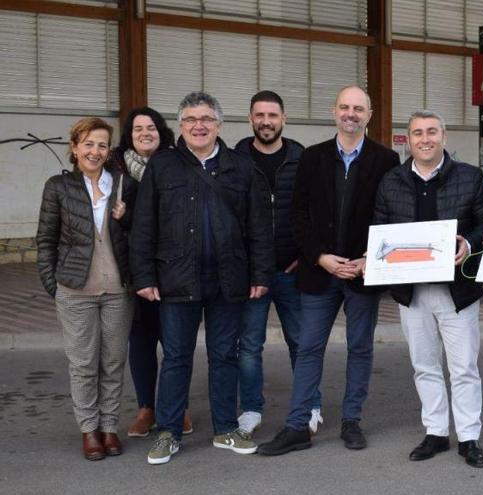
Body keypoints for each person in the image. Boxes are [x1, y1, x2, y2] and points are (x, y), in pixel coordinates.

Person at [130, 92, 274, 465]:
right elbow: (144, 225)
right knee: (176, 357)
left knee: (224, 356)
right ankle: (168, 432)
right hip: (176, 278)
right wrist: (144, 275)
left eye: (206, 119)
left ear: (219, 125)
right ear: (181, 126)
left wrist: (260, 274)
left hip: (229, 278)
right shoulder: (163, 166)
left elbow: (258, 226)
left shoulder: (240, 167)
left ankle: (226, 428)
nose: (199, 125)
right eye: (191, 119)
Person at [257, 86, 400, 456]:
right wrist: (319, 256)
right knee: (308, 348)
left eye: (358, 108)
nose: (350, 114)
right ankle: (297, 426)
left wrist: (370, 258)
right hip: (320, 272)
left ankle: (352, 421)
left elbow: (391, 215)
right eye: (344, 107)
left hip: (362, 271)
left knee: (360, 348)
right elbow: (298, 216)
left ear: (369, 115)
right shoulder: (313, 157)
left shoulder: (387, 160)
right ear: (334, 112)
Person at [372, 110, 483, 468]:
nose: (424, 139)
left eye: (431, 132)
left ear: (444, 136)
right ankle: (436, 432)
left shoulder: (470, 177)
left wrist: (468, 244)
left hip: (458, 290)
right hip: (412, 292)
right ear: (408, 140)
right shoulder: (391, 180)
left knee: (464, 367)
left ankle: (469, 437)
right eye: (417, 133)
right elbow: (380, 226)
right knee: (424, 364)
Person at [36, 117, 136, 460]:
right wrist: (54, 284)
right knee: (83, 364)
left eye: (102, 145)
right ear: (75, 147)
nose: (95, 151)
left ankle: (109, 428)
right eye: (89, 144)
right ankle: (89, 430)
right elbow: (46, 240)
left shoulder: (122, 184)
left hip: (117, 291)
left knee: (112, 361)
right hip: (75, 289)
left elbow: (138, 236)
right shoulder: (58, 187)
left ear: (109, 151)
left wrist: (126, 218)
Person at [234, 91, 323, 435]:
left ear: (284, 119)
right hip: (252, 273)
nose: (266, 121)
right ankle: (252, 409)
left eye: (272, 115)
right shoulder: (235, 159)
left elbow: (317, 212)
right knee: (249, 346)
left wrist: (307, 255)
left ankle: (311, 405)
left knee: (302, 343)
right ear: (250, 119)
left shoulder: (303, 158)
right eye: (260, 115)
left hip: (292, 270)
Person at [107, 107, 193, 438]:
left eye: (152, 127)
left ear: (162, 132)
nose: (145, 132)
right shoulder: (115, 171)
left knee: (176, 342)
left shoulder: (177, 164)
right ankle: (146, 408)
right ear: (129, 135)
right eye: (138, 128)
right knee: (141, 341)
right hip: (134, 269)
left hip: (175, 268)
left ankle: (178, 407)